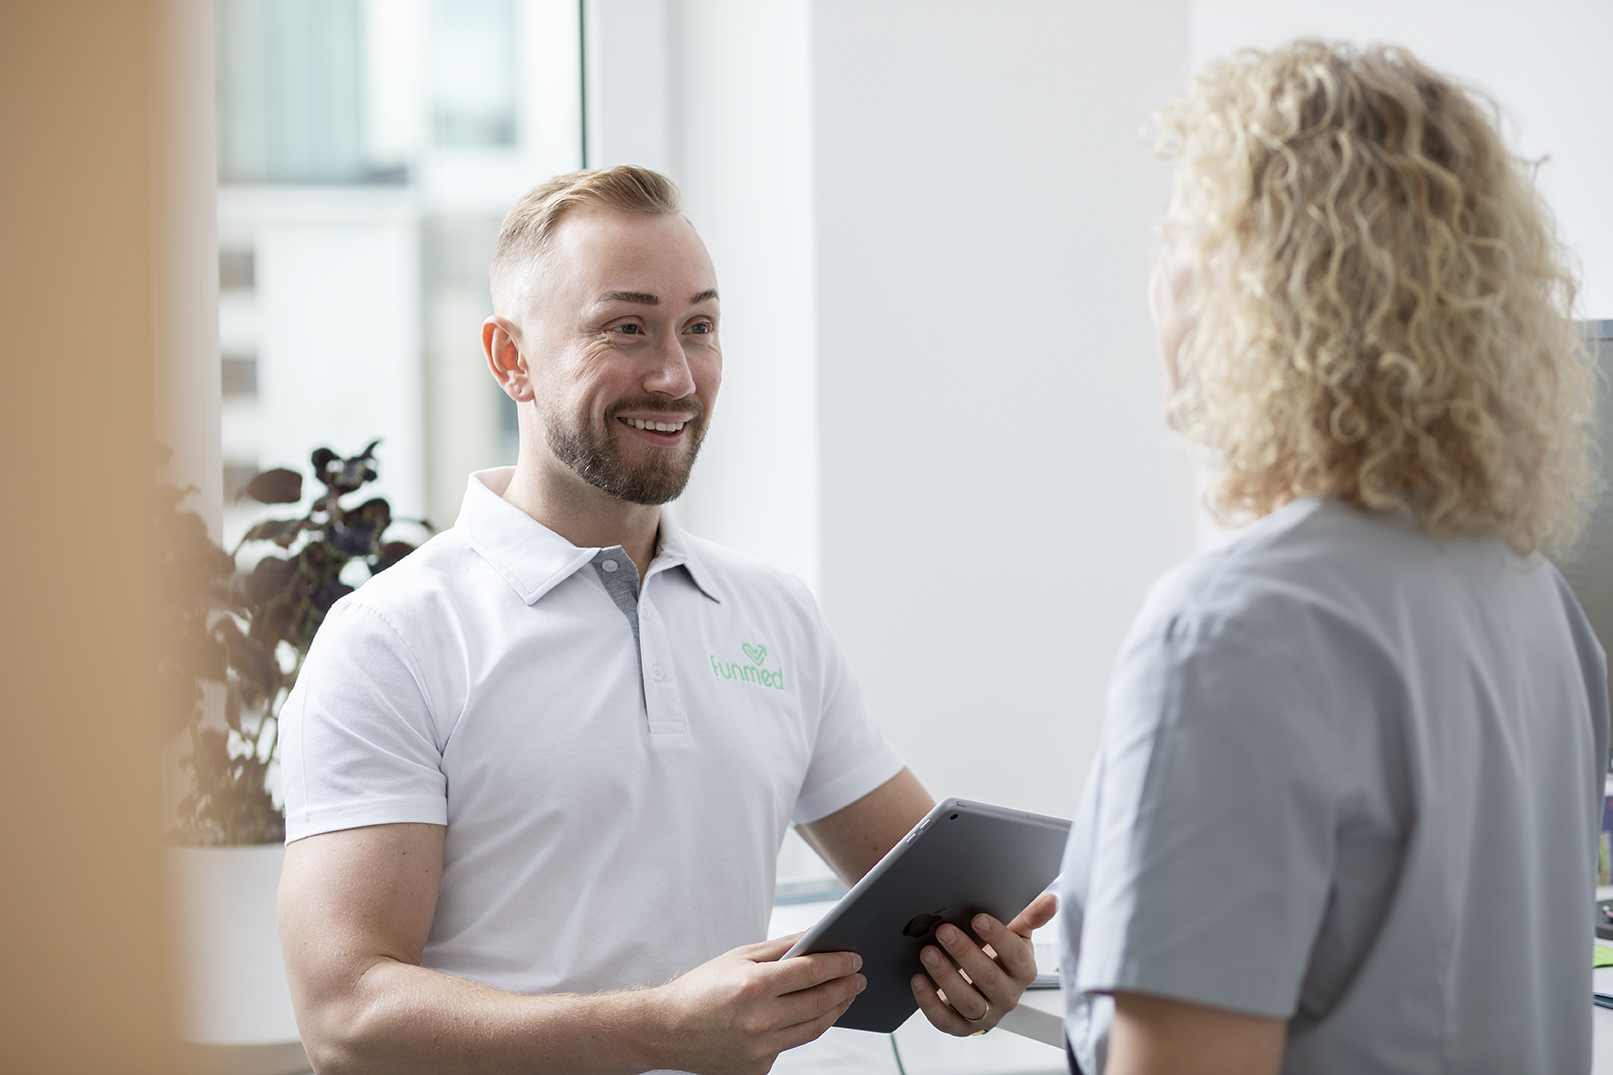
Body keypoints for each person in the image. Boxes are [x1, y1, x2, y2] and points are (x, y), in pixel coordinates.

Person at [276, 165, 1056, 1075]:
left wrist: (975, 964)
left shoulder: (773, 615)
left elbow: (937, 890)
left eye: (699, 327)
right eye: (625, 327)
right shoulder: (391, 638)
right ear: (510, 359)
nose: (675, 375)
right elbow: (344, 1015)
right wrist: (653, 1026)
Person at [1057, 41, 1609, 1075]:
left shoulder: (1226, 631)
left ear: (1259, 287)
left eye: (1175, 233)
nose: (1153, 278)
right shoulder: (1535, 605)